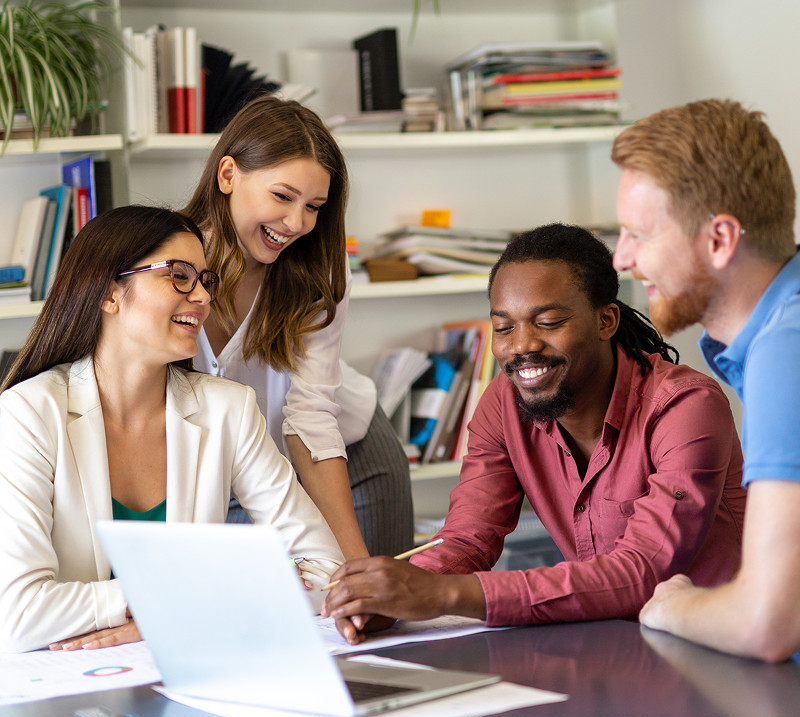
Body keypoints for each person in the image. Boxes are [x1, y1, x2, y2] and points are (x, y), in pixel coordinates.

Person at [322, 223, 746, 644]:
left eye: (548, 322)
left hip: (720, 646)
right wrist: (389, 595)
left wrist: (440, 593)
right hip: (611, 644)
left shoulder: (686, 407)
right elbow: (468, 538)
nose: (521, 345)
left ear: (606, 320)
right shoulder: (503, 403)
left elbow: (644, 571)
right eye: (503, 328)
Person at [0, 206, 344, 654]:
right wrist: (176, 598)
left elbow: (325, 569)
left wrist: (177, 612)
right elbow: (18, 614)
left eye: (205, 280)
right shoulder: (29, 412)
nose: (202, 297)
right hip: (67, 686)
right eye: (179, 276)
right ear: (109, 293)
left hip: (190, 666)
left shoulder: (229, 409)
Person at [181, 95, 413, 560]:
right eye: (282, 197)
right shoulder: (164, 268)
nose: (296, 223)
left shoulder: (317, 275)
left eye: (314, 206)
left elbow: (310, 417)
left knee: (368, 613)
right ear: (228, 175)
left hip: (346, 455)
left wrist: (359, 567)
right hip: (236, 478)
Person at [612, 98, 800, 662]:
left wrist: (673, 603)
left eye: (637, 235)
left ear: (719, 239)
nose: (621, 258)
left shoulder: (785, 347)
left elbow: (768, 624)